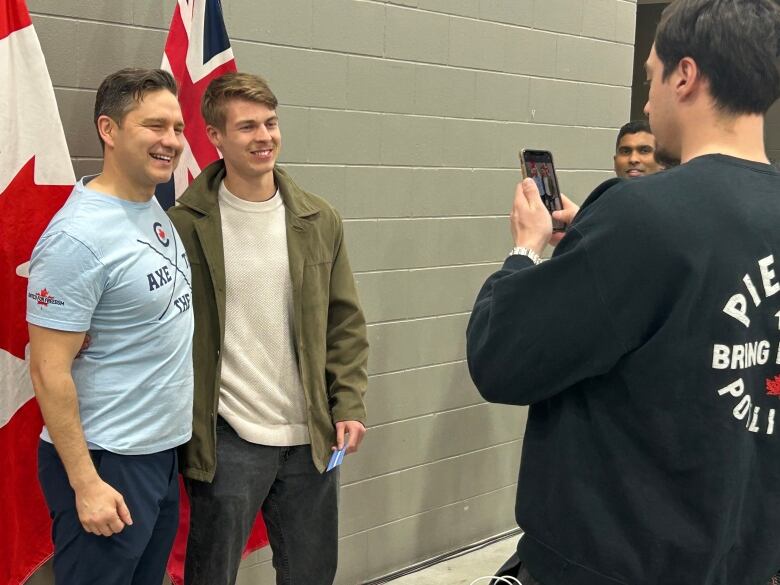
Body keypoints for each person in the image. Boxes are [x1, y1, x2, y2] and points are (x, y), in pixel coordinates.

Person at [468, 1, 780, 584]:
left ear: (684, 76)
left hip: (618, 559)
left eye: (650, 78)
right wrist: (594, 242)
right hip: (742, 555)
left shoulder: (640, 217)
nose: (646, 103)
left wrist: (525, 251)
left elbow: (499, 356)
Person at [167, 72, 369, 585]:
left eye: (271, 123)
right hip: (228, 438)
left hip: (311, 438)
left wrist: (347, 402)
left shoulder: (319, 219)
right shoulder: (183, 223)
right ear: (214, 137)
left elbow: (343, 322)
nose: (264, 137)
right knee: (210, 574)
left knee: (311, 573)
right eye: (247, 127)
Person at [27, 68, 192, 584]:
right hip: (108, 462)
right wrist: (86, 482)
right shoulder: (77, 238)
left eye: (179, 128)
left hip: (158, 454)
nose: (171, 141)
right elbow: (48, 370)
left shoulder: (152, 210)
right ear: (109, 129)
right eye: (155, 126)